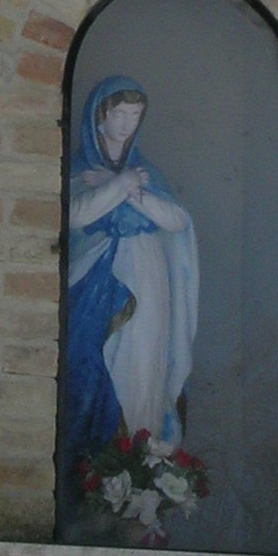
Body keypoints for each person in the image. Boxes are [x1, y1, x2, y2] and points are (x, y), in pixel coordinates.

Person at [61, 75, 199, 471]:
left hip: (146, 275)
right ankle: (95, 463)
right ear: (98, 117)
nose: (126, 124)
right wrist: (120, 183)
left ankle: (138, 452)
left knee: (142, 361)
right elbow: (77, 214)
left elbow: (176, 220)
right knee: (90, 359)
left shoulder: (147, 173)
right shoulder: (80, 170)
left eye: (134, 115)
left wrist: (130, 190)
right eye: (118, 113)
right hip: (92, 277)